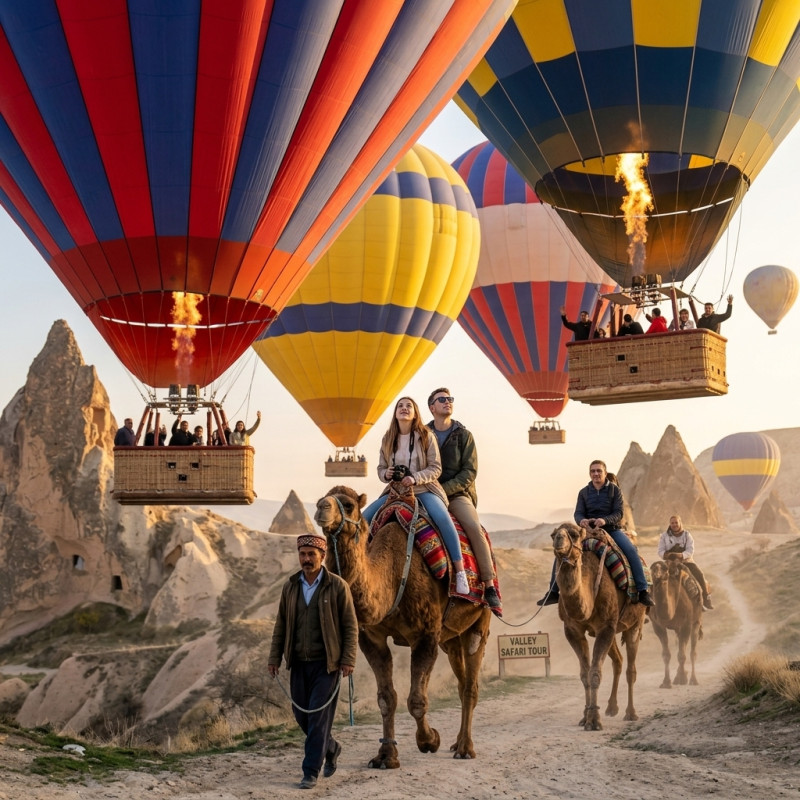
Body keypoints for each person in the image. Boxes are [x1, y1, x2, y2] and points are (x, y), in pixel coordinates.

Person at [268, 534, 358, 790]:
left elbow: (351, 626)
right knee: (301, 715)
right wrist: (274, 657)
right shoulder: (291, 586)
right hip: (297, 662)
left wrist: (348, 659)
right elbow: (281, 625)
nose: (306, 559)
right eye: (303, 554)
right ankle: (331, 747)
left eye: (311, 554)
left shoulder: (338, 586)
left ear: (322, 556)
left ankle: (310, 771)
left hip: (326, 664)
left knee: (317, 716)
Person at [362, 397, 470, 596]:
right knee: (361, 521)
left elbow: (435, 468)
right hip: (394, 492)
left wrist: (415, 478)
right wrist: (386, 474)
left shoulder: (425, 435)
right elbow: (380, 468)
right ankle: (358, 571)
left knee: (443, 519)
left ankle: (460, 572)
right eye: (400, 406)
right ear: (395, 413)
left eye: (408, 406)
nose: (404, 408)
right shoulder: (388, 438)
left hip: (424, 489)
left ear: (415, 413)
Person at [537, 460, 655, 607]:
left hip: (611, 529)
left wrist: (604, 520)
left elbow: (618, 513)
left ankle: (643, 590)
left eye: (599, 471)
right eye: (593, 471)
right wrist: (583, 521)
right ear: (590, 473)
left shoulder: (614, 491)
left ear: (605, 473)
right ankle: (553, 592)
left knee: (631, 551)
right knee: (563, 551)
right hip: (588, 531)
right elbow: (578, 513)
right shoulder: (584, 492)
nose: (596, 474)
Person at [426, 388, 501, 610]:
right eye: (442, 399)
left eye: (450, 399)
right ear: (432, 407)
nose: (448, 402)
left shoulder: (464, 435)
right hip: (427, 491)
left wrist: (445, 489)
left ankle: (488, 585)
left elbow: (469, 472)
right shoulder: (422, 434)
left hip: (457, 493)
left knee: (473, 527)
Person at [657, 515, 714, 609]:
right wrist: (667, 555)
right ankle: (653, 604)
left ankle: (706, 598)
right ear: (670, 524)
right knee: (656, 577)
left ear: (680, 523)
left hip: (686, 562)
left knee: (699, 575)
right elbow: (660, 551)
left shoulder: (687, 535)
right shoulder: (664, 536)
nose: (674, 525)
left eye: (676, 522)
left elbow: (690, 550)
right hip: (670, 563)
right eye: (672, 523)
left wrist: (681, 555)